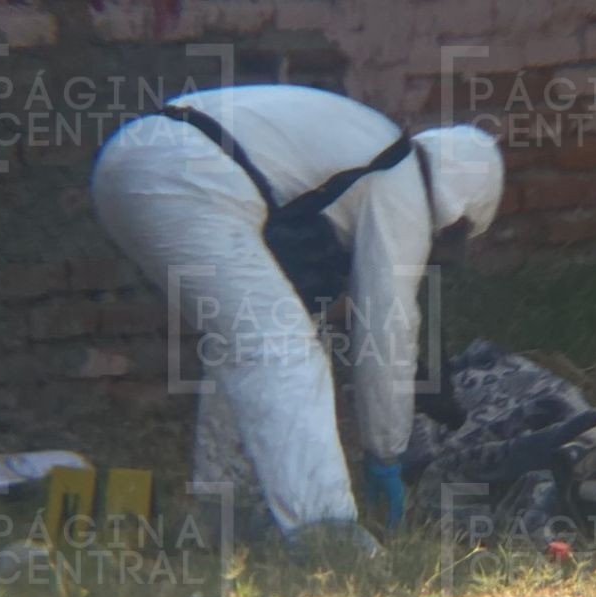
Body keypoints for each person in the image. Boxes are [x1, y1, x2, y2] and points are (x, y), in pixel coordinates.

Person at [91, 84, 504, 551]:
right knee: (281, 347)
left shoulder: (376, 149)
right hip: (180, 177)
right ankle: (327, 539)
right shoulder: (404, 184)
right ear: (458, 206)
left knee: (248, 340)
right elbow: (386, 333)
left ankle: (226, 519)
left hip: (136, 161)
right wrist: (385, 455)